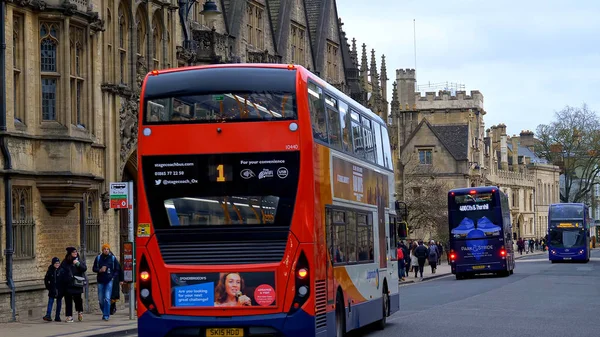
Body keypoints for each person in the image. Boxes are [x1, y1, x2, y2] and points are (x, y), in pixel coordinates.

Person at [92, 243, 122, 321]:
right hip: (100, 280)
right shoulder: (98, 258)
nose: (106, 250)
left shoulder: (112, 258)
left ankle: (106, 315)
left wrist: (113, 277)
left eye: (107, 249)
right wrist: (99, 270)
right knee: (101, 299)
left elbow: (117, 269)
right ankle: (104, 311)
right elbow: (94, 268)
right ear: (102, 250)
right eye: (105, 249)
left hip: (109, 280)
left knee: (107, 298)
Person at [60, 247, 87, 322]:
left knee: (77, 299)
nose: (75, 253)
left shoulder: (78, 260)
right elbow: (62, 270)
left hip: (77, 283)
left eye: (76, 252)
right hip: (68, 283)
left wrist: (78, 264)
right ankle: (69, 316)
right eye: (73, 252)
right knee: (68, 300)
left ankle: (80, 311)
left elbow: (84, 268)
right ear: (70, 253)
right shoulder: (65, 262)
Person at [43, 257, 62, 322]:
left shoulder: (61, 270)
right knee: (50, 302)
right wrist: (48, 287)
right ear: (53, 264)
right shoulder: (50, 270)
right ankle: (48, 315)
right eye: (56, 263)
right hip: (52, 289)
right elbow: (46, 279)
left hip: (59, 289)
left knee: (59, 303)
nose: (57, 264)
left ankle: (57, 316)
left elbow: (64, 279)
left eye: (58, 263)